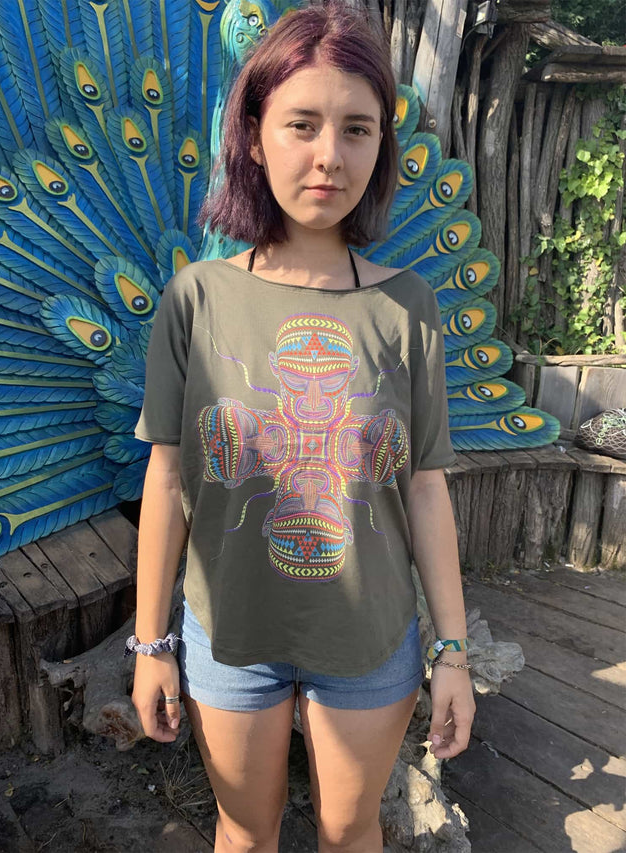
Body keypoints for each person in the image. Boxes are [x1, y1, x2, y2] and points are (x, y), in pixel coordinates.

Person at [130, 3, 476, 851]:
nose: (330, 155)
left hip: (370, 636)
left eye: (358, 129)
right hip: (230, 633)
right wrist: (151, 642)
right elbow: (168, 478)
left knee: (351, 830)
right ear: (253, 136)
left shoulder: (408, 308)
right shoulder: (195, 300)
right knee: (245, 833)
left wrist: (453, 651)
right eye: (302, 124)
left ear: (382, 147)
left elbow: (425, 487)